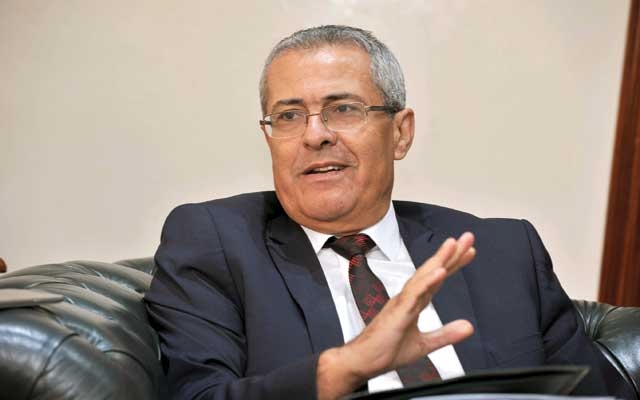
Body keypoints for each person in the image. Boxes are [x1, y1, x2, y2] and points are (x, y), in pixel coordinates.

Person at [144, 25, 633, 400]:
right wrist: (345, 367)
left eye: (343, 109)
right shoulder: (216, 242)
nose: (315, 135)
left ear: (400, 133)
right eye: (289, 116)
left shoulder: (503, 251)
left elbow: (593, 397)